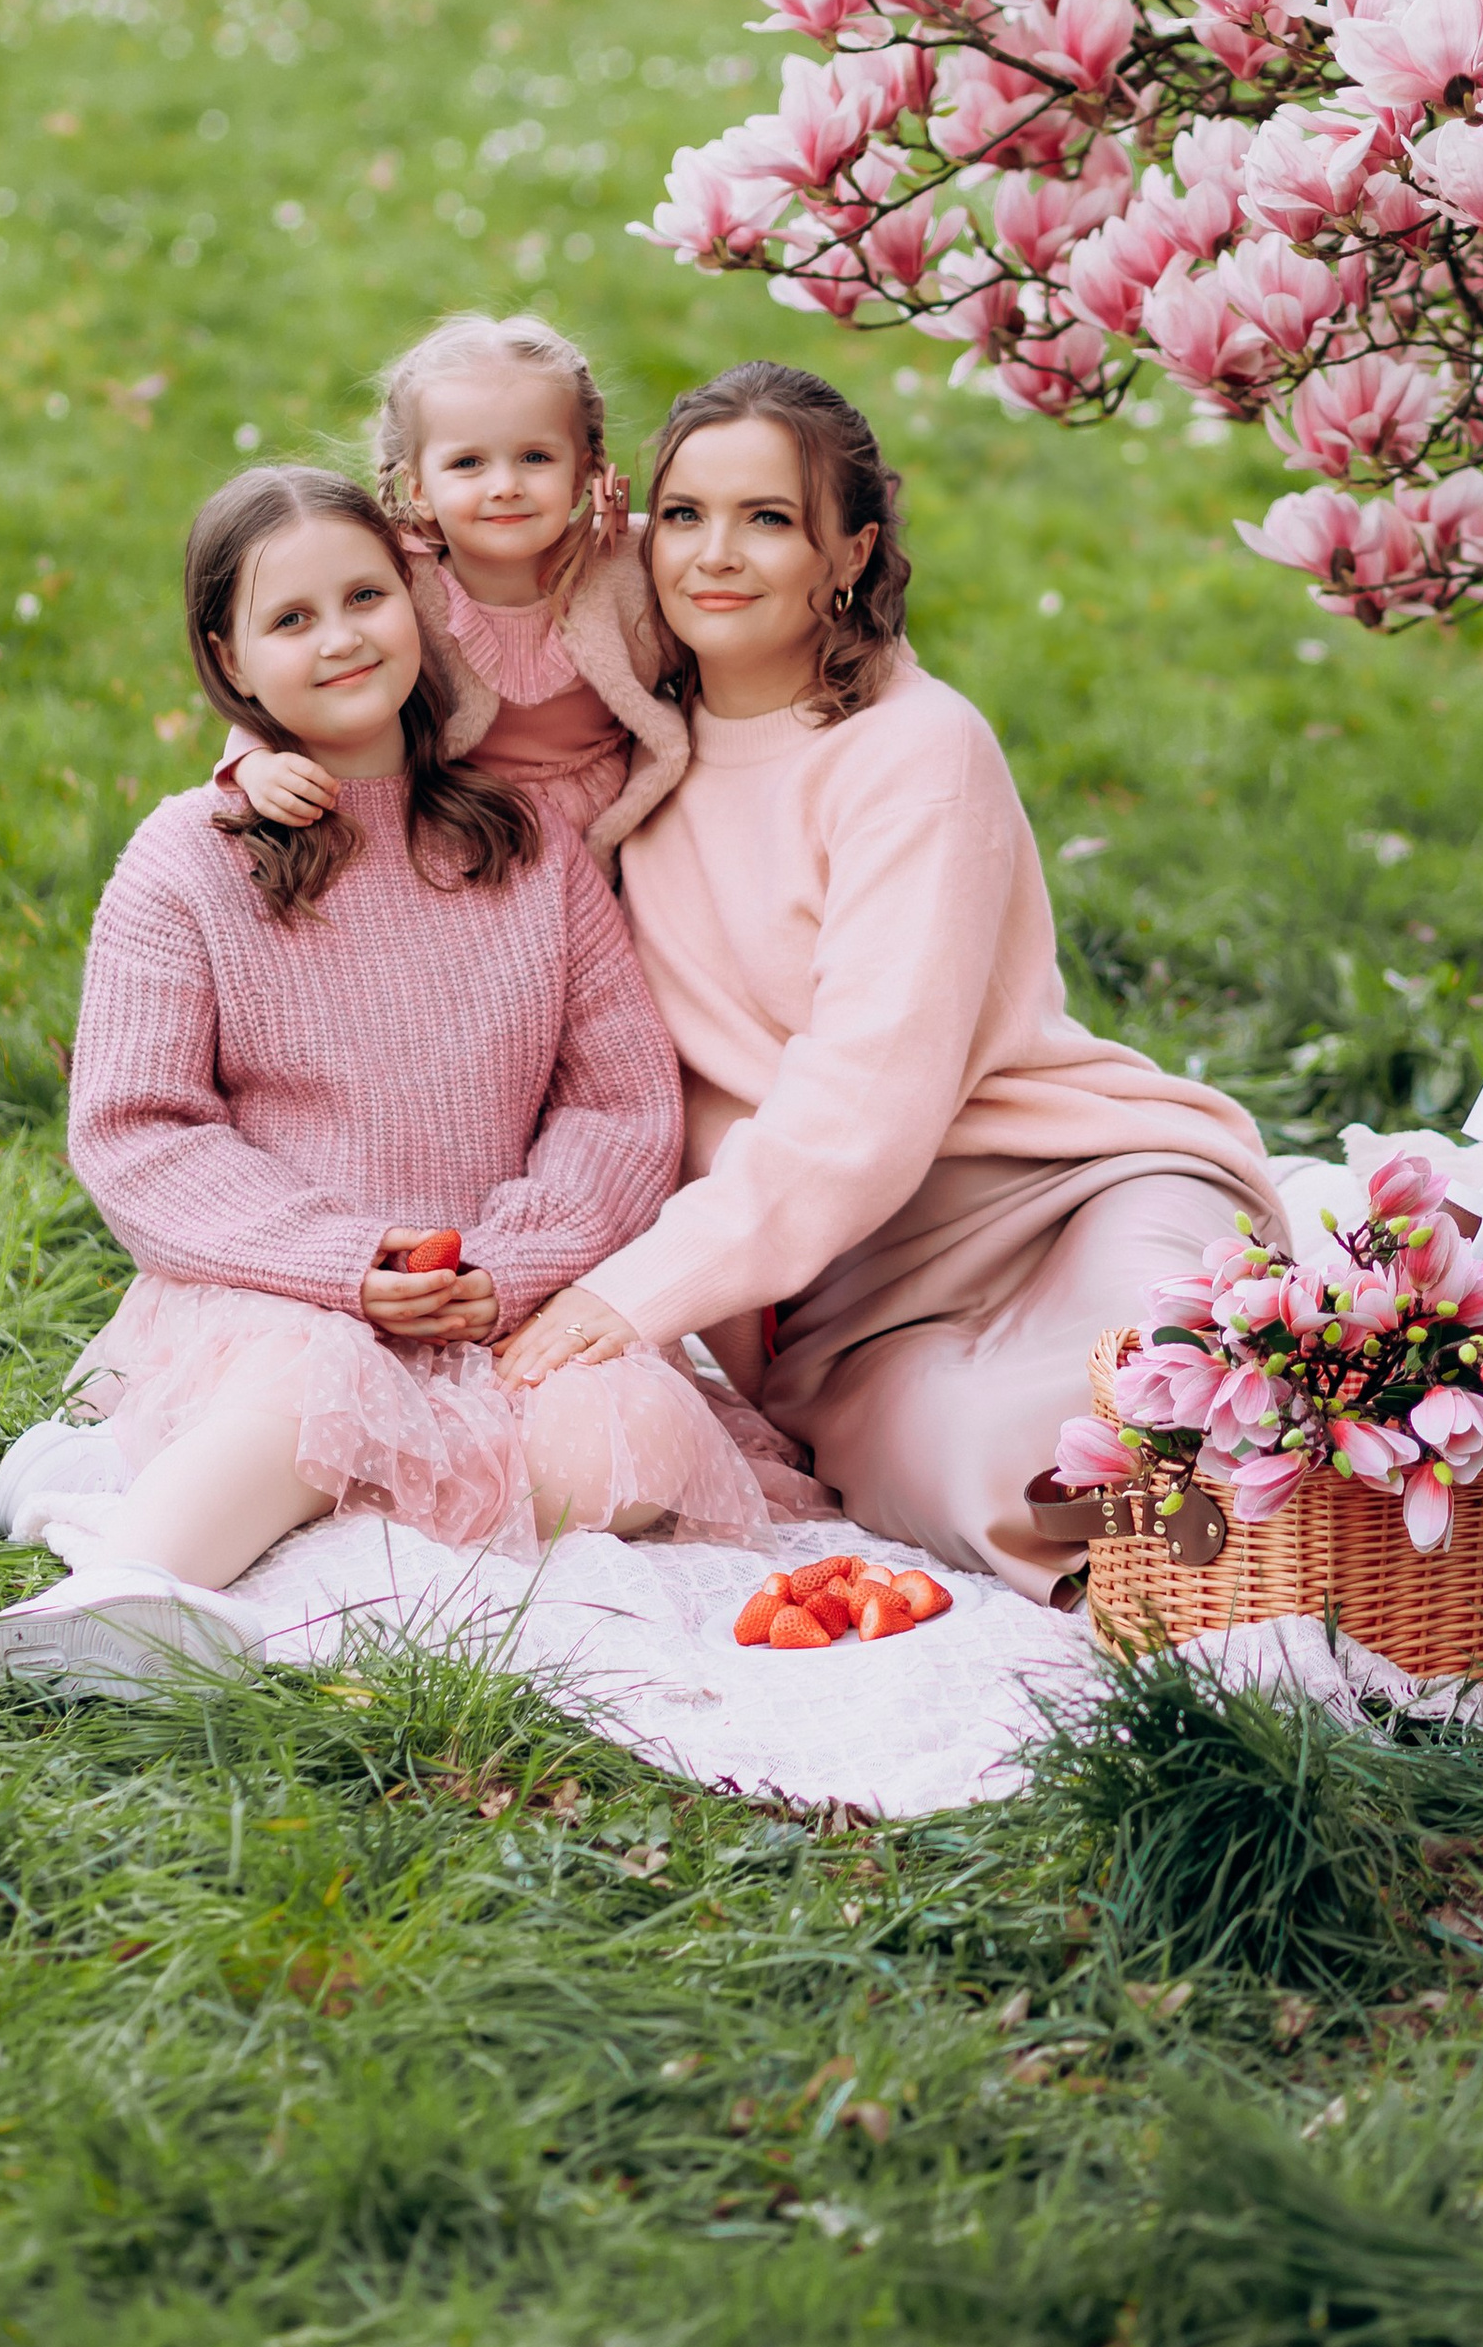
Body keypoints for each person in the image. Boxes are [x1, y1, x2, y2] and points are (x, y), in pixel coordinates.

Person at [492, 363, 1285, 1602]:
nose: (716, 554)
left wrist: (633, 1291)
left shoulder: (914, 751)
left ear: (850, 553)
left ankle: (1290, 1546)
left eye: (770, 520)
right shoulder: (624, 755)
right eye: (685, 515)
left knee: (1166, 1374)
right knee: (986, 1472)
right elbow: (390, 628)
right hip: (846, 1302)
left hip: (1057, 1192)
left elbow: (863, 1100)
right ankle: (1204, 1575)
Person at [0, 464, 769, 1701]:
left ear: (419, 601)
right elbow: (139, 1132)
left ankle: (155, 1492)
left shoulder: (522, 844)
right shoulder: (190, 859)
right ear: (228, 656)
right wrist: (347, 1265)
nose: (341, 639)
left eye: (365, 597)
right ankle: (115, 1590)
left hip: (490, 1292)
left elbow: (618, 1103)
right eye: (291, 620)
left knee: (615, 1441)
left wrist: (509, 1265)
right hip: (283, 1290)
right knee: (325, 1385)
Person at [222, 312, 683, 872]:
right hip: (460, 822)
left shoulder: (626, 566)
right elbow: (301, 675)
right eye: (468, 463)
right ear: (419, 489)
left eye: (535, 458)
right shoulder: (399, 589)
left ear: (584, 470)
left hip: (619, 819)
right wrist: (252, 763)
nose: (505, 486)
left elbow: (716, 649)